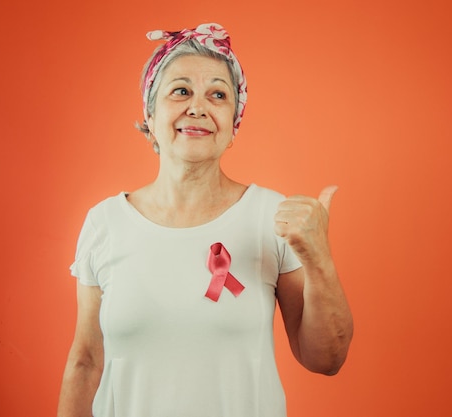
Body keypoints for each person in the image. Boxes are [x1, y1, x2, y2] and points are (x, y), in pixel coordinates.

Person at [57, 22, 353, 417]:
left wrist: (319, 259)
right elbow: (86, 362)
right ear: (150, 113)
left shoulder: (271, 216)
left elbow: (325, 359)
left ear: (234, 124)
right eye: (181, 90)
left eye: (218, 94)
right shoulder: (104, 223)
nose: (197, 107)